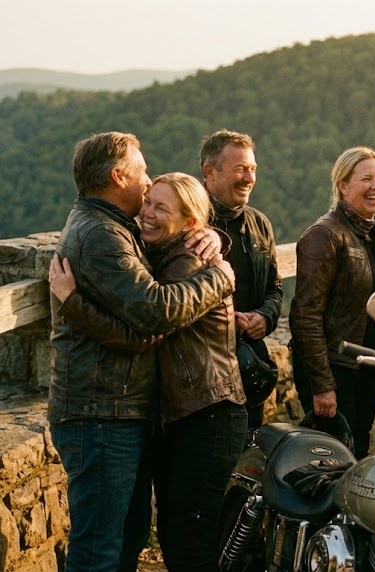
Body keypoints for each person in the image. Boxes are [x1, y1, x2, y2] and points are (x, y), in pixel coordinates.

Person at [48, 133, 234, 572]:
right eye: (143, 169)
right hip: (99, 413)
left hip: (115, 410)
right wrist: (222, 276)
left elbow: (146, 322)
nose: (148, 183)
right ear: (118, 176)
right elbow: (154, 311)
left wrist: (209, 235)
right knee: (99, 551)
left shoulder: (116, 225)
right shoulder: (99, 235)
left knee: (122, 541)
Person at [289, 147, 375, 458]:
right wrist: (322, 385)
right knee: (332, 461)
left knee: (357, 452)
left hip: (364, 367)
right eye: (366, 179)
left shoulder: (373, 234)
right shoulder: (324, 235)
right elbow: (305, 315)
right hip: (335, 370)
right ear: (343, 186)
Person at [201, 130, 283, 431]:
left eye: (252, 169)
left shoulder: (260, 223)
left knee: (247, 463)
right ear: (210, 172)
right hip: (205, 376)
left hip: (251, 368)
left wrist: (265, 317)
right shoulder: (189, 222)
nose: (249, 178)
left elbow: (274, 288)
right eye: (240, 169)